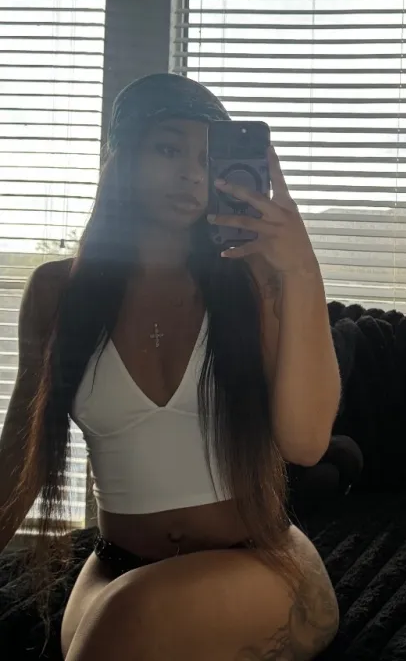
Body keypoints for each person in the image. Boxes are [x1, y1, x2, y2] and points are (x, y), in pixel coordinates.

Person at [0, 73, 342, 661]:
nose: (191, 173)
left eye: (208, 158)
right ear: (123, 158)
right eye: (168, 150)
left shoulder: (250, 280)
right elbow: (20, 459)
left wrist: (299, 270)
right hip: (116, 566)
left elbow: (307, 444)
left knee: (122, 622)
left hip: (259, 564)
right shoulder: (57, 293)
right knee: (114, 621)